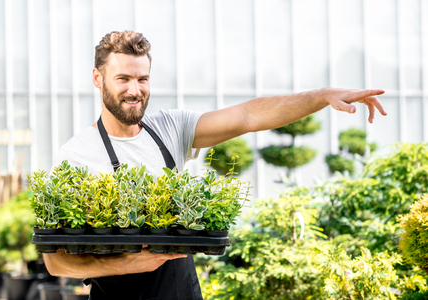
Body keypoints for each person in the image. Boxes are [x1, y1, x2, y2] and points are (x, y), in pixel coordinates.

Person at [43, 30, 387, 299]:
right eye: (123, 79)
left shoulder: (169, 129)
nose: (135, 90)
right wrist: (127, 263)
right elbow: (55, 261)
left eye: (143, 79)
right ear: (98, 78)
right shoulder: (77, 156)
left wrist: (322, 96)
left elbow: (248, 115)